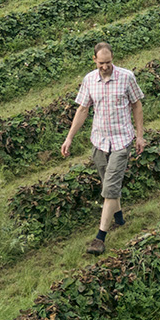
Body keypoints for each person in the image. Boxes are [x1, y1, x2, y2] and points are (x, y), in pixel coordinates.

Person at [60, 41, 145, 255]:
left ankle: (100, 237)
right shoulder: (89, 80)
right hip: (99, 140)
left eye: (108, 62)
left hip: (121, 140)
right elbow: (82, 109)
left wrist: (140, 136)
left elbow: (137, 105)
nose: (105, 66)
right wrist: (69, 138)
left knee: (109, 187)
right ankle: (118, 218)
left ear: (112, 59)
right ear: (94, 60)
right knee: (108, 184)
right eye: (101, 63)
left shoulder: (127, 77)